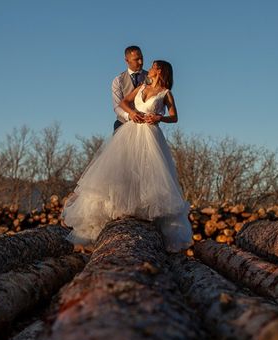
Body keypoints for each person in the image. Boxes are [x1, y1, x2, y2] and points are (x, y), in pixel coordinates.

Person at [62, 60, 192, 252]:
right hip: (130, 131)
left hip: (150, 135)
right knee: (121, 168)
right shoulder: (142, 86)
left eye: (155, 66)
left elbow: (174, 117)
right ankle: (119, 214)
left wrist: (159, 118)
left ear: (161, 71)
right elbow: (124, 101)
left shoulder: (166, 93)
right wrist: (131, 113)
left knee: (150, 172)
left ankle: (145, 216)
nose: (151, 67)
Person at [112, 46, 147, 132]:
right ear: (127, 60)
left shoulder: (151, 78)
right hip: (123, 124)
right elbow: (117, 106)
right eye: (136, 59)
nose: (141, 62)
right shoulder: (118, 80)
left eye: (141, 58)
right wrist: (129, 115)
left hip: (145, 125)